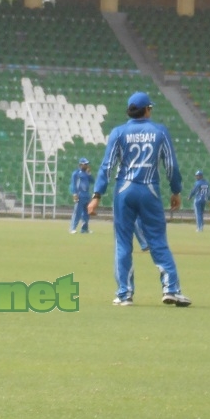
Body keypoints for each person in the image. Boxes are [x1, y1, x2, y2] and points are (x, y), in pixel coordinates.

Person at [87, 92, 191, 307]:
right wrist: (176, 190)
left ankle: (124, 294)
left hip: (124, 190)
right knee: (158, 241)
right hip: (149, 190)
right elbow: (171, 166)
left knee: (123, 243)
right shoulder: (159, 131)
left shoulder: (119, 132)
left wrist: (97, 195)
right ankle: (171, 289)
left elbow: (107, 166)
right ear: (146, 110)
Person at [69, 157, 93, 234]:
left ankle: (84, 229)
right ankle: (72, 228)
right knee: (77, 212)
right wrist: (75, 193)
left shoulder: (87, 173)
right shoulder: (76, 173)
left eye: (87, 164)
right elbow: (74, 184)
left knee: (86, 213)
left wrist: (89, 174)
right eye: (85, 164)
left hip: (86, 195)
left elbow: (92, 181)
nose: (86, 165)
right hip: (80, 195)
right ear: (80, 164)